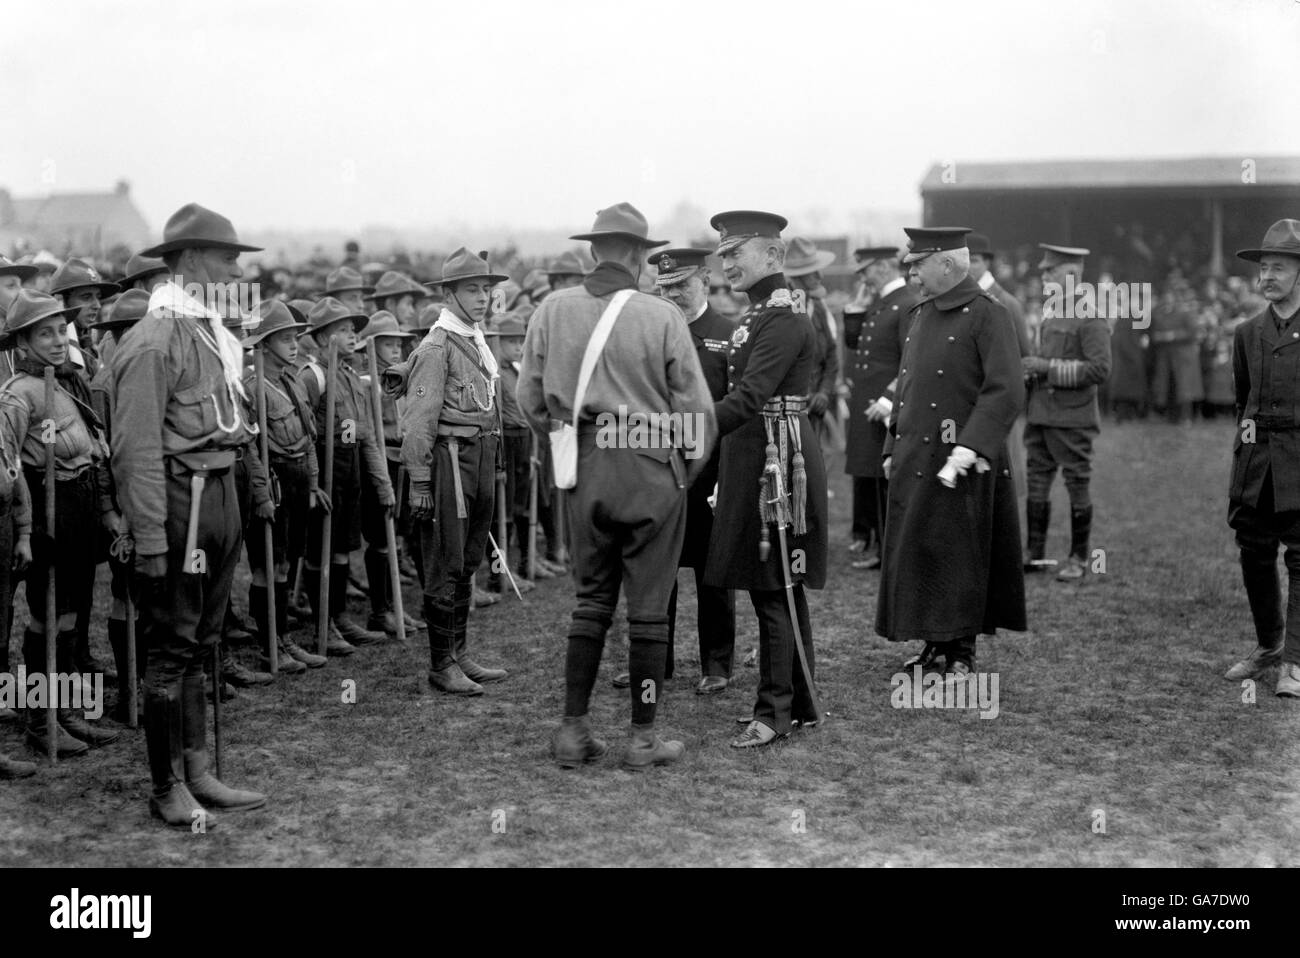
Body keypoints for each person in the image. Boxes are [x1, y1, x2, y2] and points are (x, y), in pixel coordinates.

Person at [519, 203, 715, 768]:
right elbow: (697, 412)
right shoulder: (661, 317)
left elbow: (529, 400)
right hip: (651, 470)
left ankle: (574, 730)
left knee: (590, 603)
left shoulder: (551, 311)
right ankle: (643, 738)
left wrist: (574, 440)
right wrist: (683, 469)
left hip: (584, 471)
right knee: (649, 611)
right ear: (637, 255)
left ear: (593, 250)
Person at [112, 202, 269, 826]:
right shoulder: (152, 342)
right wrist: (150, 537)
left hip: (219, 495)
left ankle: (199, 770)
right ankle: (165, 785)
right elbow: (135, 452)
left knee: (202, 644)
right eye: (228, 257)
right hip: (181, 503)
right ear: (189, 261)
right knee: (171, 648)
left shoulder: (209, 332)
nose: (236, 269)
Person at [876, 227, 1026, 677]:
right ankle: (932, 642)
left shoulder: (988, 314)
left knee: (959, 553)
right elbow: (906, 385)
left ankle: (961, 651)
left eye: (918, 265)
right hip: (916, 457)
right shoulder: (922, 313)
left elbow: (1005, 390)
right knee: (922, 550)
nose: (913, 275)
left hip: (961, 461)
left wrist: (970, 446)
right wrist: (890, 445)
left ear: (946, 263)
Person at [702, 210, 827, 749]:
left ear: (773, 256)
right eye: (723, 254)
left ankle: (775, 712)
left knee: (774, 588)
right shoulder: (758, 315)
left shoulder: (781, 320)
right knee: (775, 586)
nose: (726, 262)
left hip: (778, 461)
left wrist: (685, 429)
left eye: (737, 253)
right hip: (758, 455)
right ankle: (800, 702)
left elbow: (750, 398)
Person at [0, 290, 120, 757]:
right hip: (49, 512)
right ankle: (39, 720)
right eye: (44, 333)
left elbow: (96, 448)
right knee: (46, 616)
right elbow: (7, 469)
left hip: (82, 507)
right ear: (22, 344)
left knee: (71, 614)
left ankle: (68, 711)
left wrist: (107, 508)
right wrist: (26, 531)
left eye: (59, 331)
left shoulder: (70, 383)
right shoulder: (16, 397)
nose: (56, 340)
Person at [393, 248, 509, 696]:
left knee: (468, 559)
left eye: (486, 290)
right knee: (444, 559)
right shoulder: (436, 347)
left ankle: (459, 653)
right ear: (449, 294)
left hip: (478, 457)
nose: (483, 298)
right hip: (448, 462)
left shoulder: (475, 339)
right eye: (472, 290)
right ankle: (441, 664)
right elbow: (418, 422)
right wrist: (421, 483)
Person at [1224, 219, 1300, 697]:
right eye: (1264, 267)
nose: (1268, 275)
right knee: (1253, 552)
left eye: (1280, 267)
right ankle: (1270, 645)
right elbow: (1242, 400)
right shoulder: (1246, 332)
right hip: (1256, 464)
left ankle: (1295, 662)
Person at [240, 300, 330, 674]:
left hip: (296, 479)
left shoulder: (292, 380)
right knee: (267, 564)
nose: (294, 345)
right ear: (263, 344)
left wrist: (311, 482)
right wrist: (261, 495)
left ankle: (284, 638)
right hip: (271, 479)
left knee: (287, 562)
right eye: (284, 339)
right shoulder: (251, 387)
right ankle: (268, 644)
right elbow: (250, 448)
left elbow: (309, 436)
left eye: (295, 338)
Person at [301, 297, 394, 653]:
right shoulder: (314, 377)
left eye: (353, 329)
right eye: (342, 330)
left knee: (341, 547)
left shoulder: (352, 377)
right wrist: (312, 480)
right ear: (323, 339)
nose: (352, 335)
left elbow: (368, 433)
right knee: (319, 547)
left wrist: (382, 483)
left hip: (350, 466)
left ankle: (340, 620)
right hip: (324, 467)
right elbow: (304, 433)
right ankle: (322, 626)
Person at [1022, 244, 1112, 581]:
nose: (1043, 276)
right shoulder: (1051, 311)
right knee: (1036, 481)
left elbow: (1100, 370)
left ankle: (1079, 558)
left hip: (1073, 417)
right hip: (1041, 413)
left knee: (1077, 483)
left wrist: (1046, 368)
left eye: (1050, 271)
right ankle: (1035, 552)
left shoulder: (1091, 314)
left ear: (1071, 274)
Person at [842, 245, 919, 570]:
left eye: (867, 270)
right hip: (868, 405)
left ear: (885, 267)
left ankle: (890, 551)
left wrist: (890, 398)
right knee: (873, 476)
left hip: (885, 407)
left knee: (885, 480)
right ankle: (881, 546)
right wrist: (855, 312)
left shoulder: (905, 303)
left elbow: (909, 359)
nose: (862, 276)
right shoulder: (881, 302)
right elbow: (858, 346)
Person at [353, 310, 423, 635]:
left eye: (398, 343)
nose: (396, 349)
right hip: (379, 462)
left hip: (401, 457)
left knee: (396, 533)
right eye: (388, 343)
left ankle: (395, 605)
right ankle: (379, 610)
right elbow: (366, 431)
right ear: (372, 344)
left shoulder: (402, 376)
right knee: (381, 535)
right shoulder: (367, 382)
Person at [483, 312, 537, 596]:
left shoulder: (516, 370)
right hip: (503, 440)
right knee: (499, 513)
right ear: (497, 342)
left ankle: (513, 566)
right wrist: (498, 458)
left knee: (517, 506)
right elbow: (494, 418)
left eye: (521, 341)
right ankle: (497, 573)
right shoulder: (492, 374)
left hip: (522, 438)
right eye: (511, 342)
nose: (518, 347)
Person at [783, 237, 840, 444]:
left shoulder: (819, 308)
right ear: (798, 276)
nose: (820, 276)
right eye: (813, 271)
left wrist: (824, 393)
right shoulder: (780, 308)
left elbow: (832, 354)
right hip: (786, 412)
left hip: (816, 408)